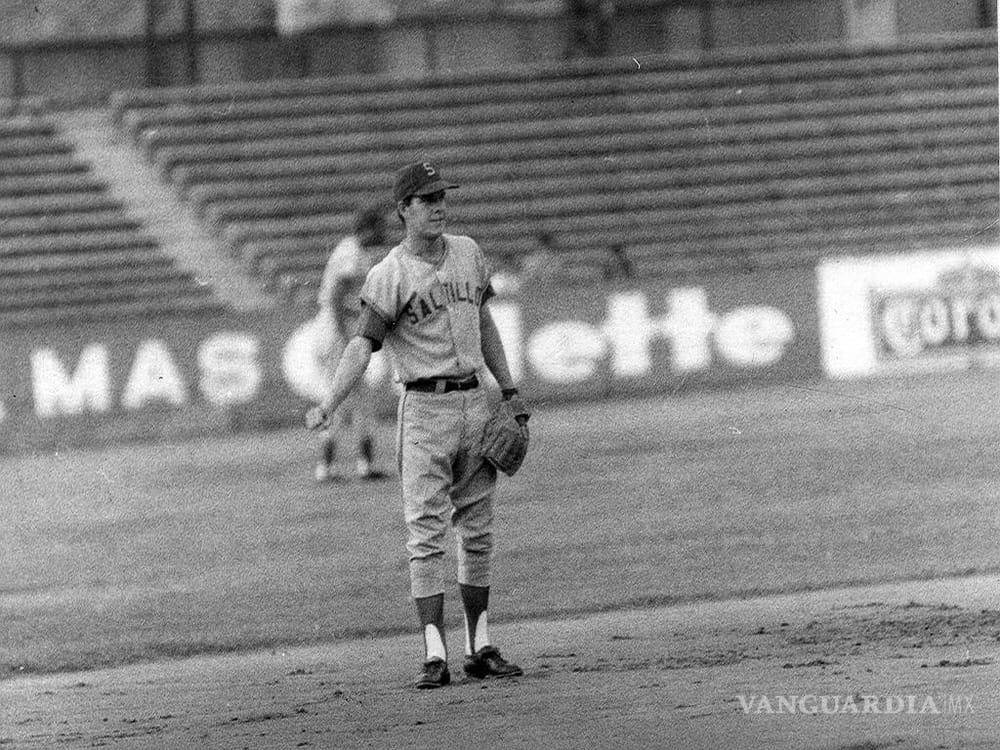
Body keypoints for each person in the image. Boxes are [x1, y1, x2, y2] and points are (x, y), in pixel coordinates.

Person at [306, 161, 527, 689]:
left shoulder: (469, 252)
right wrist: (331, 402)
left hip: (476, 403)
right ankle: (434, 653)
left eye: (442, 197)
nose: (439, 206)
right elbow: (362, 344)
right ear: (403, 209)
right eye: (427, 200)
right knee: (426, 532)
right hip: (424, 411)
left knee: (477, 531)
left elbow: (486, 321)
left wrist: (510, 391)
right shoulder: (388, 273)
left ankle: (480, 645)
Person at [313, 204, 391, 482]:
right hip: (336, 332)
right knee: (344, 399)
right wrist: (346, 339)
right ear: (367, 229)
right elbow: (334, 298)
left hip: (336, 329)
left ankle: (356, 465)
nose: (384, 232)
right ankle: (332, 467)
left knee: (355, 400)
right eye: (379, 227)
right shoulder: (352, 253)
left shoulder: (352, 250)